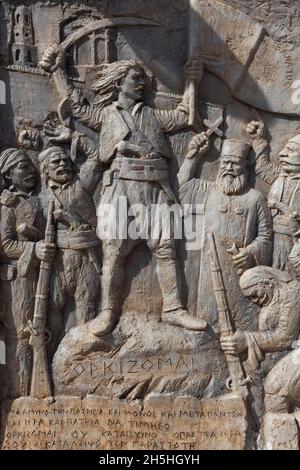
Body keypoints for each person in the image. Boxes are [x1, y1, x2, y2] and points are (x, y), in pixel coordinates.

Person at [41, 50, 207, 336]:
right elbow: (79, 109)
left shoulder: (153, 116)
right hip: (119, 188)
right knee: (114, 252)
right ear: (119, 83)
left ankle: (173, 309)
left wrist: (192, 81)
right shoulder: (106, 116)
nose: (142, 84)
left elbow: (183, 116)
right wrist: (57, 72)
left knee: (166, 249)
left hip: (155, 188)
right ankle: (108, 313)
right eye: (135, 78)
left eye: (143, 79)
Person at [179, 136, 273, 330]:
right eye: (225, 162)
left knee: (243, 321)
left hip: (242, 270)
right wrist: (192, 157)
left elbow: (265, 236)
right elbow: (181, 188)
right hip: (211, 269)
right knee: (209, 317)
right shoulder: (208, 190)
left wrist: (250, 252)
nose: (229, 168)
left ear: (246, 168)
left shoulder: (256, 199)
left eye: (235, 163)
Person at [0, 148, 55, 396]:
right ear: (8, 175)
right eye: (23, 167)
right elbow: (6, 244)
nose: (31, 171)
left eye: (31, 166)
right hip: (20, 280)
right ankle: (23, 395)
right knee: (23, 335)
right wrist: (34, 249)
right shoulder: (7, 205)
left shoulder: (39, 199)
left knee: (44, 330)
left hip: (44, 276)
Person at [38, 145, 101, 356]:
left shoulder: (82, 184)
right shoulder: (41, 197)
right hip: (57, 261)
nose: (63, 164)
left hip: (86, 258)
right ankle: (52, 358)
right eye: (56, 162)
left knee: (87, 308)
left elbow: (95, 154)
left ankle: (83, 358)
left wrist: (73, 137)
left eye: (66, 160)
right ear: (45, 169)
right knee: (53, 311)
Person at [220, 266, 300, 414]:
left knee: (275, 390)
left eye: (255, 295)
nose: (254, 301)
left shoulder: (293, 293)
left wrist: (247, 338)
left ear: (267, 283)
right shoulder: (270, 301)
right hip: (283, 358)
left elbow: (285, 337)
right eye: (250, 298)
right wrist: (241, 374)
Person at [247, 120, 300, 273]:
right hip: (273, 243)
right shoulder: (281, 177)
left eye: (291, 150)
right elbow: (262, 167)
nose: (282, 153)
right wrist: (258, 140)